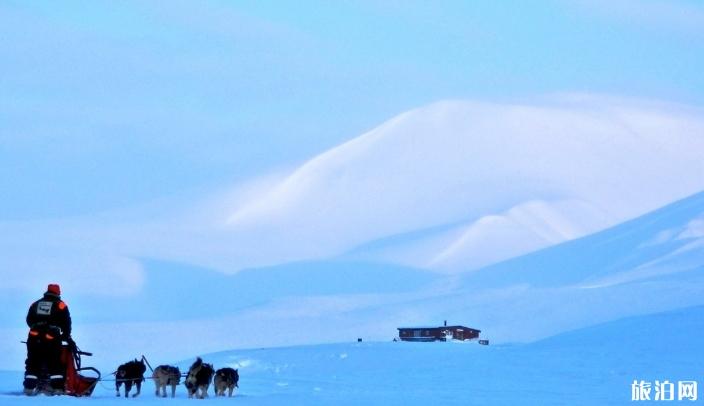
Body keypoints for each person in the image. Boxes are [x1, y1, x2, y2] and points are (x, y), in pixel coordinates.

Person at [24, 283, 72, 395]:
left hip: (34, 337)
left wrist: (37, 327)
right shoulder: (60, 305)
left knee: (33, 362)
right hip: (52, 338)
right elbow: (66, 322)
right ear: (58, 292)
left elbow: (28, 320)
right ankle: (57, 389)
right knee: (55, 362)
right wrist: (66, 335)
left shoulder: (35, 303)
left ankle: (29, 388)